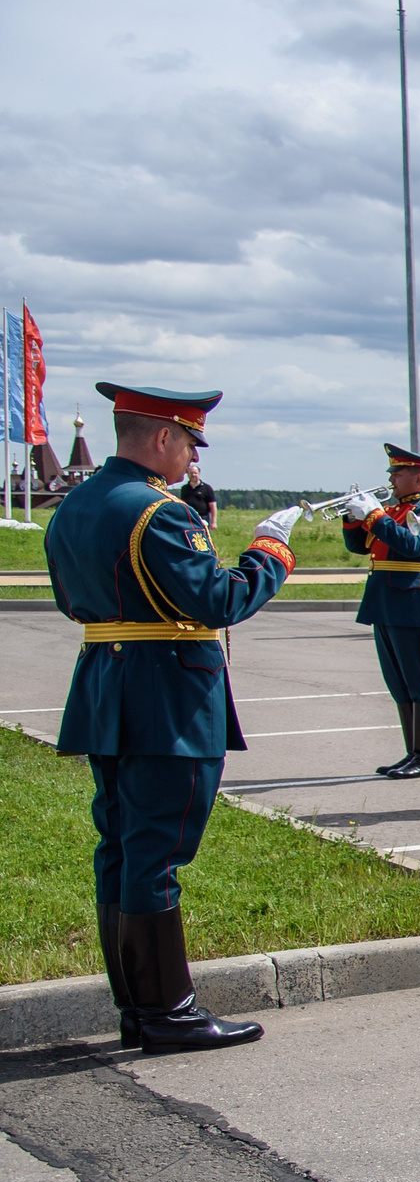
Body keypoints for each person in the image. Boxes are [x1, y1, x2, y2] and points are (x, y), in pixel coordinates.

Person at [46, 384, 300, 1050]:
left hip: (108, 687)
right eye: (188, 442)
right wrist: (269, 553)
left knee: (122, 845)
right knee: (155, 850)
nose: (191, 458)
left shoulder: (76, 504)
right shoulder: (159, 513)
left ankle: (137, 1004)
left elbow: (73, 597)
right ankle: (168, 1012)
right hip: (167, 699)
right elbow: (219, 598)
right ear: (161, 436)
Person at [342, 442, 420, 779]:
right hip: (387, 603)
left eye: (398, 474)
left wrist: (374, 515)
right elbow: (360, 546)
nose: (391, 479)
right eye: (392, 473)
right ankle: (412, 752)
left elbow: (412, 546)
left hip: (414, 604)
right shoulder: (392, 511)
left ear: (418, 479)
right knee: (399, 684)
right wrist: (351, 518)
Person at [176, 458, 217, 527]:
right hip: (188, 518)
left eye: (195, 473)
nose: (193, 475)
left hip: (203, 518)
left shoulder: (207, 488)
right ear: (188, 474)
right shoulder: (184, 488)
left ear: (199, 474)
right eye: (191, 473)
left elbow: (212, 506)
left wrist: (213, 522)